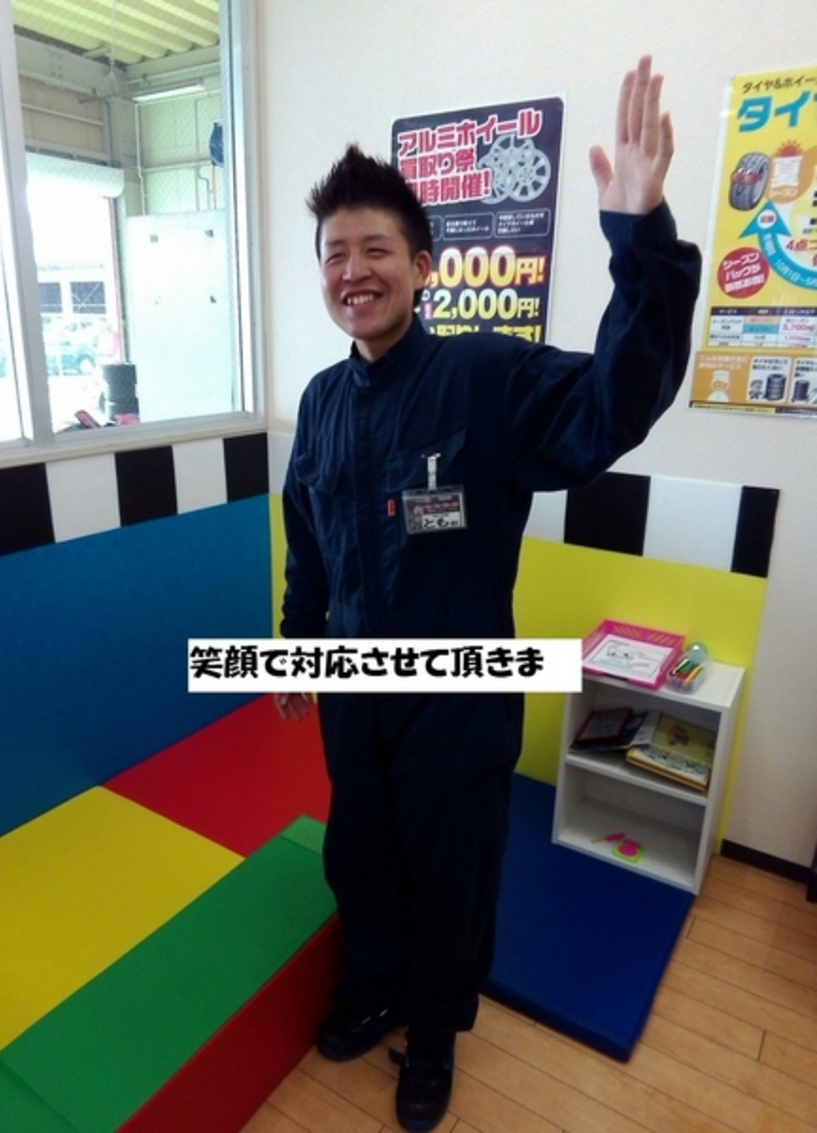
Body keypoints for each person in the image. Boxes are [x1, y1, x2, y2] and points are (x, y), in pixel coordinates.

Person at [275, 55, 701, 1132]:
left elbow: (614, 401)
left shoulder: (484, 377)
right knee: (362, 856)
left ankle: (432, 1036)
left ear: (422, 265)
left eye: (376, 249)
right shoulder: (320, 403)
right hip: (355, 693)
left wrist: (640, 237)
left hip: (457, 702)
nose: (353, 270)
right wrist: (295, 643)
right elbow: (308, 542)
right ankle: (378, 986)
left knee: (452, 875)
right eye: (335, 254)